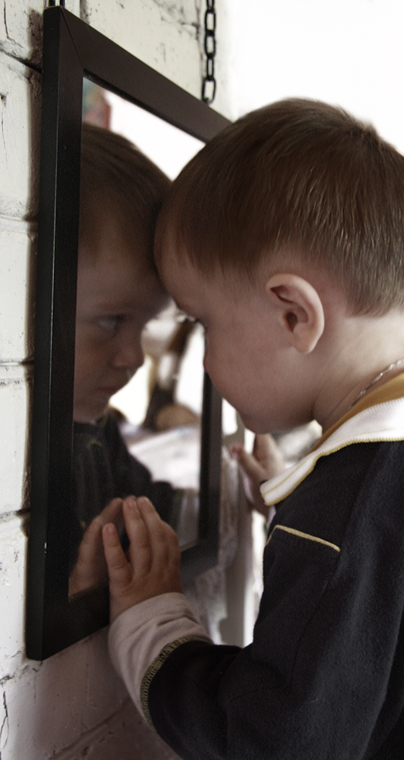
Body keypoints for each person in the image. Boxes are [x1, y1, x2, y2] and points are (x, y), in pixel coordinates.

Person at [101, 99, 404, 758]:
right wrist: (304, 508)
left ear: (294, 313)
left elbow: (278, 742)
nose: (203, 361)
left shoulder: (351, 506)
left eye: (202, 322)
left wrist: (155, 632)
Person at [69, 123, 174, 594]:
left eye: (145, 325)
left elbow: (145, 498)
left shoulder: (102, 430)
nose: (133, 356)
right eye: (111, 322)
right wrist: (70, 595)